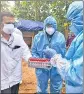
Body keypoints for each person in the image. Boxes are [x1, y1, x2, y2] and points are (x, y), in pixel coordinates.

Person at [44, 1, 83, 93]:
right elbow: (70, 59)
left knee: (56, 87)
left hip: (68, 78)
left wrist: (56, 57)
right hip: (56, 69)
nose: (71, 25)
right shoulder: (80, 37)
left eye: (72, 21)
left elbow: (76, 76)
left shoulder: (61, 36)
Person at [31, 16, 66, 93]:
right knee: (41, 88)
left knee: (56, 88)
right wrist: (42, 61)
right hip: (42, 67)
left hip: (56, 67)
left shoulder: (60, 37)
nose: (50, 28)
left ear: (55, 26)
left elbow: (63, 53)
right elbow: (33, 52)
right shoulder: (38, 37)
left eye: (51, 26)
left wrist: (56, 59)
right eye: (48, 26)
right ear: (45, 26)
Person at [1, 12, 32, 94]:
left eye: (12, 23)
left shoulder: (18, 38)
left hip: (15, 79)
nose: (11, 26)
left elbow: (25, 51)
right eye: (8, 23)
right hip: (2, 81)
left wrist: (30, 59)